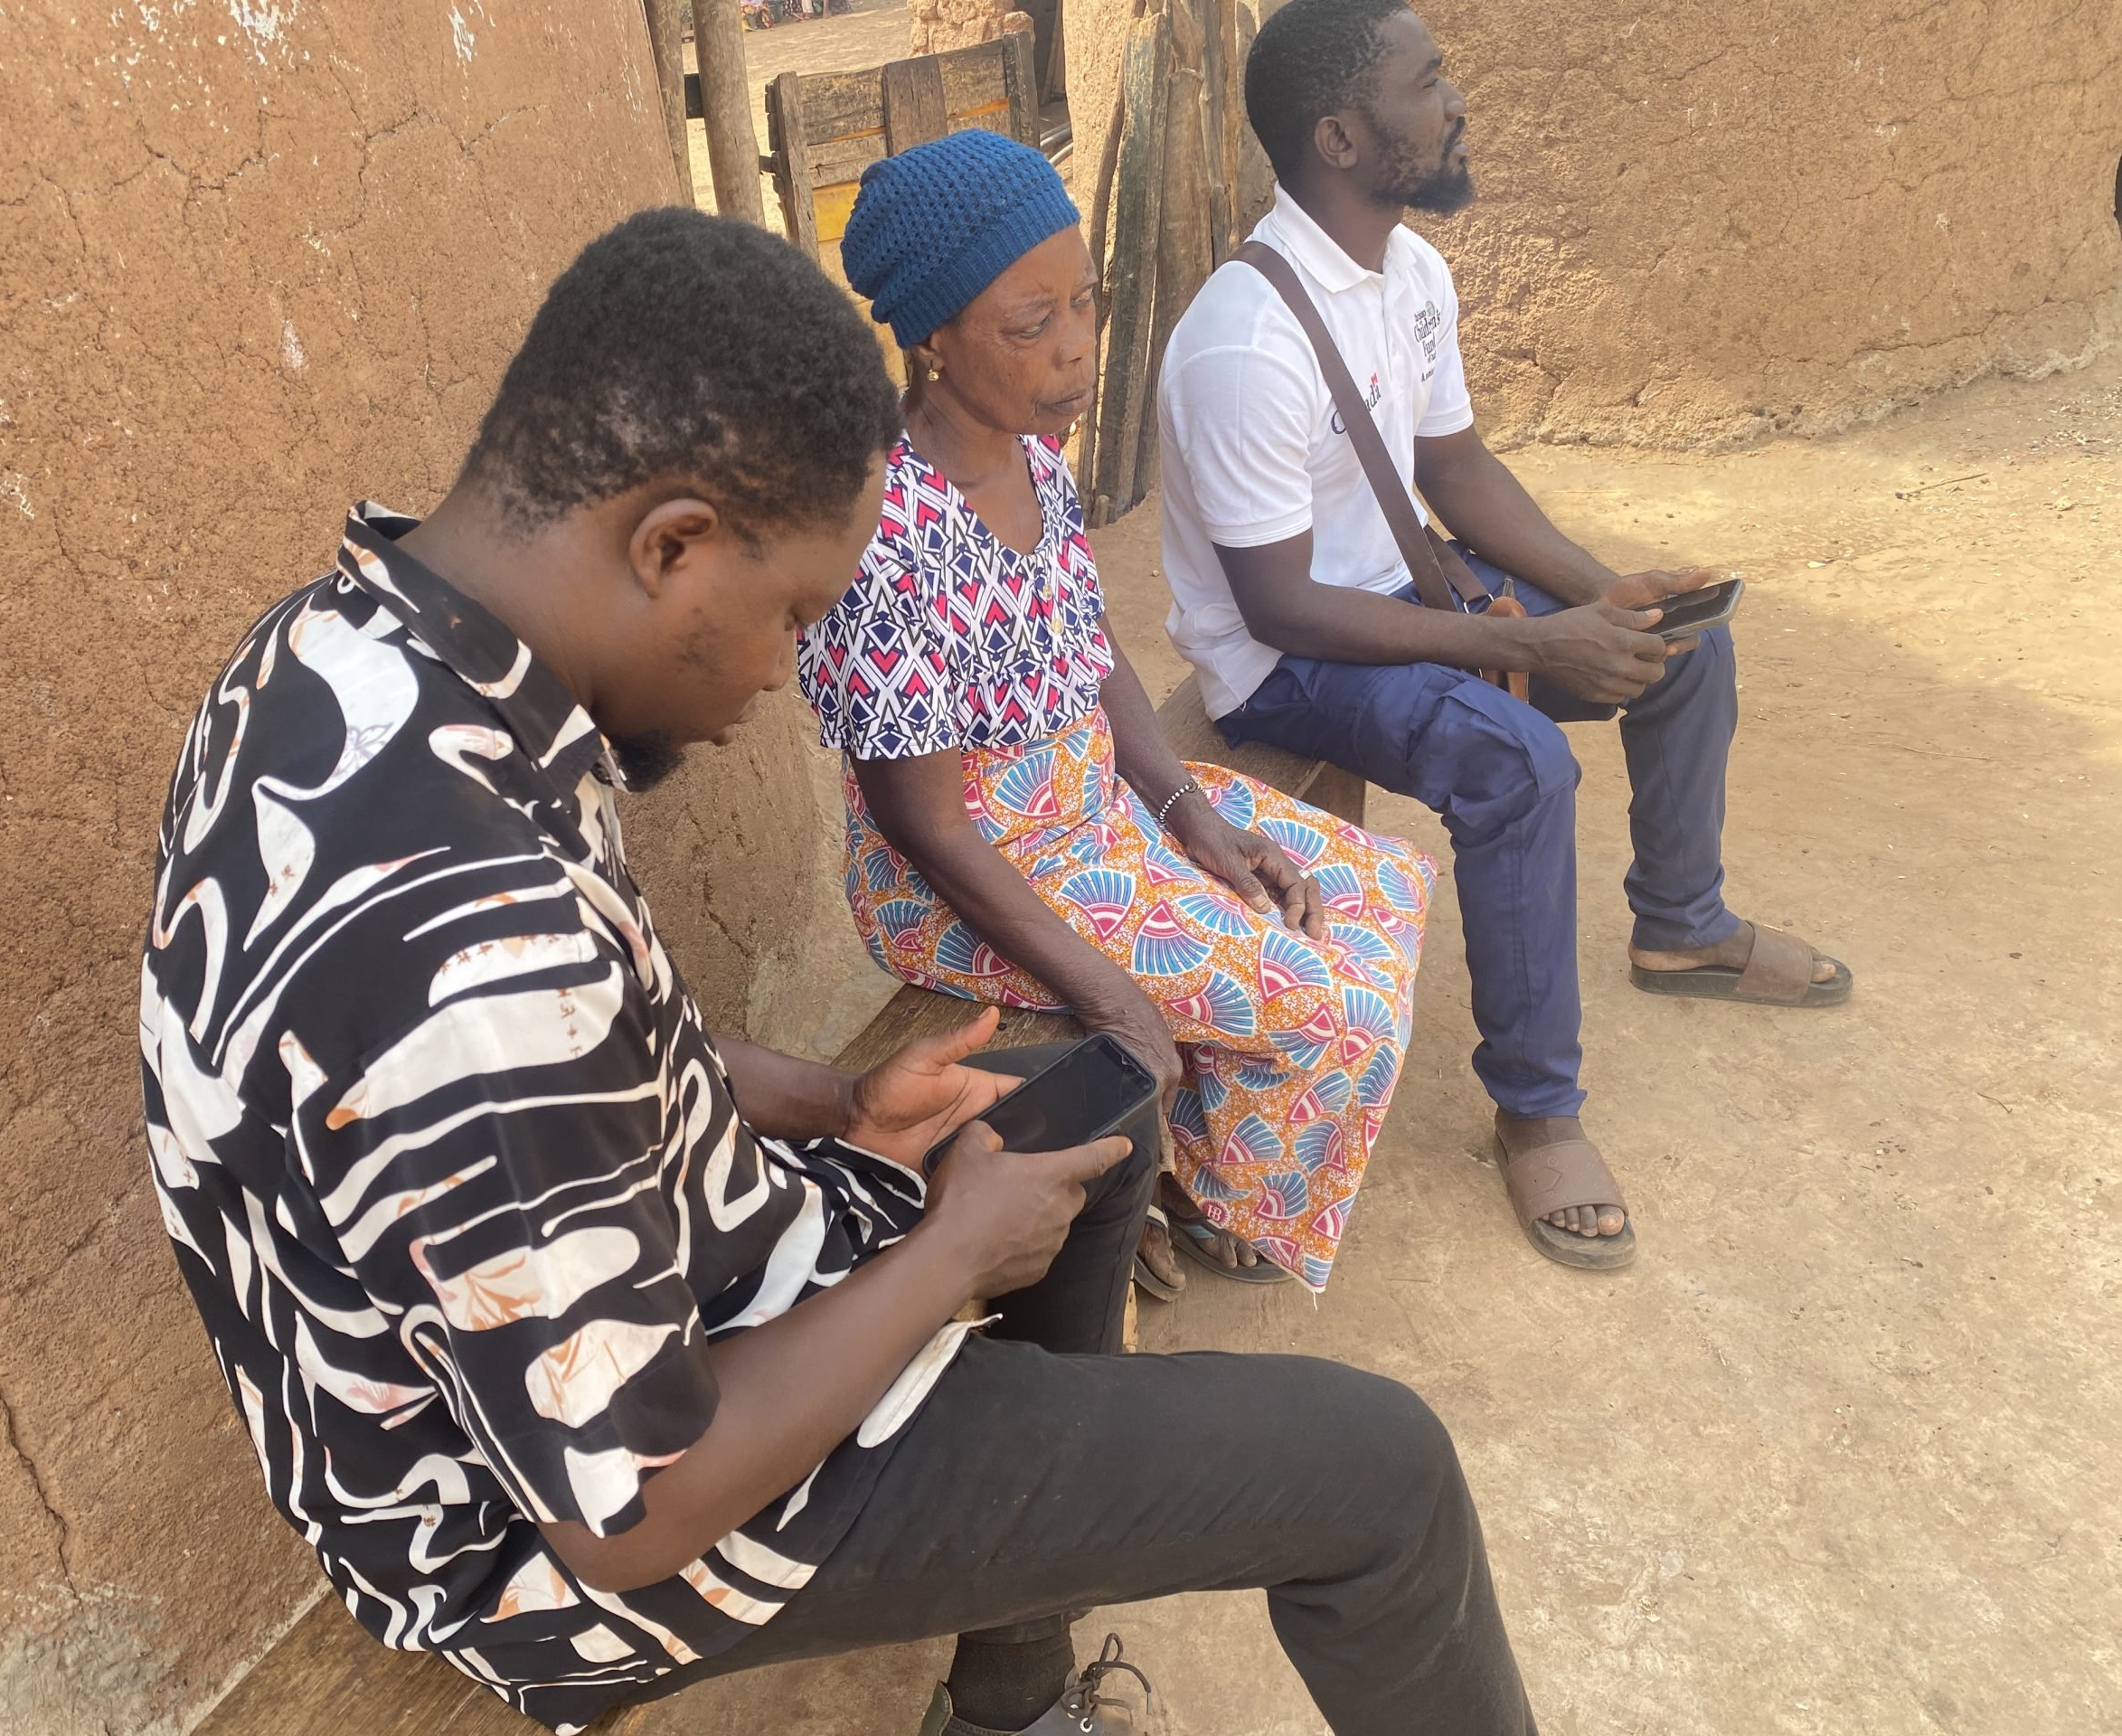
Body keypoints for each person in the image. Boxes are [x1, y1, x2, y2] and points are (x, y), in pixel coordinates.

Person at [139, 208, 1534, 1736]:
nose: (782, 676)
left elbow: (580, 1050)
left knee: (1095, 1108)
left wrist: (834, 1102)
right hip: (563, 1534)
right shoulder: (469, 942)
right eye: (795, 615)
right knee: (1381, 1473)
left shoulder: (351, 656)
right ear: (672, 546)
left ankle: (1013, 1687)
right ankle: (1002, 1536)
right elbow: (628, 1509)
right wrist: (944, 1262)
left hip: (659, 1269)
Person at [1158, 0, 1853, 1271]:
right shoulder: (1242, 343)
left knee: (1680, 646)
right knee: (1520, 764)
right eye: (1427, 83)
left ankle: (1681, 925)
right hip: (1289, 660)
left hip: (1404, 589)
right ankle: (1536, 1112)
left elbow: (1458, 470)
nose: (1456, 101)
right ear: (1340, 137)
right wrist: (1534, 649)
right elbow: (1281, 607)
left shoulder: (1411, 273)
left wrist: (1604, 597)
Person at [800, 129, 1435, 1297]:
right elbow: (925, 826)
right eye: (1028, 324)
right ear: (933, 338)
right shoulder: (884, 539)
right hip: (968, 880)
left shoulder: (1035, 460)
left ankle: (1182, 1156)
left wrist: (1191, 814)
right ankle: (1191, 1187)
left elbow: (1092, 657)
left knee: (1364, 889)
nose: (1077, 346)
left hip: (1093, 819)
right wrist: (1109, 992)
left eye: (1085, 303)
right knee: (1331, 1009)